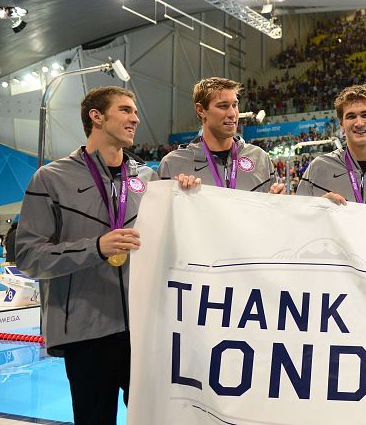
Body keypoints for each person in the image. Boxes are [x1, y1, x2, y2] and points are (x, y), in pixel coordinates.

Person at [15, 86, 157, 424]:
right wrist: (95, 248)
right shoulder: (51, 178)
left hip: (144, 328)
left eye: (135, 112)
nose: (135, 118)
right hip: (87, 332)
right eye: (125, 110)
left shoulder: (148, 179)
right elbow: (28, 255)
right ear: (97, 116)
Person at [158, 77, 284, 193]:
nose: (232, 114)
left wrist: (276, 202)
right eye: (223, 106)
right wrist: (180, 199)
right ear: (201, 110)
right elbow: (162, 215)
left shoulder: (260, 158)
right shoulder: (172, 164)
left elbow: (272, 213)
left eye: (234, 105)